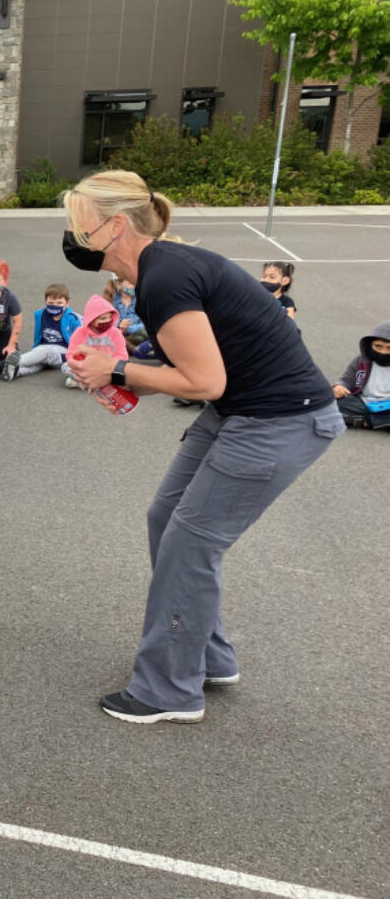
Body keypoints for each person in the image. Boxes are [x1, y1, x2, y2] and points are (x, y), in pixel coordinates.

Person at [62, 169, 342, 724]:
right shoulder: (159, 270)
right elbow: (197, 370)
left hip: (279, 420)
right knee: (167, 517)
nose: (73, 236)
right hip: (244, 410)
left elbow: (203, 382)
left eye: (80, 225)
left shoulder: (164, 277)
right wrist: (121, 376)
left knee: (191, 543)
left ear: (115, 226)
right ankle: (206, 656)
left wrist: (116, 366)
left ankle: (169, 690)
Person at [2, 284, 79, 382]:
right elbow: (38, 335)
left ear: (67, 303)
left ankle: (12, 362)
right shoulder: (41, 315)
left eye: (59, 303)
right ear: (45, 302)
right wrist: (35, 350)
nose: (55, 305)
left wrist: (75, 358)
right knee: (37, 364)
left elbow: (80, 340)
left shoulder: (73, 318)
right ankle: (15, 372)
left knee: (45, 353)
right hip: (43, 349)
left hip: (62, 355)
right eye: (51, 302)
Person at [332, 320, 390, 431]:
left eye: (389, 348)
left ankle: (364, 422)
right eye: (378, 346)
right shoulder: (362, 360)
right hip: (363, 403)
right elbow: (346, 380)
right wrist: (339, 387)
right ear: (370, 345)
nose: (383, 352)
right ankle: (378, 422)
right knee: (327, 401)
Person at [65, 295, 128, 388]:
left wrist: (109, 366)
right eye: (102, 318)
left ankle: (86, 382)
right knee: (65, 367)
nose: (108, 321)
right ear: (91, 320)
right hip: (86, 366)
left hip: (108, 367)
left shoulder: (115, 333)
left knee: (126, 370)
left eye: (110, 317)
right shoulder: (80, 333)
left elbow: (122, 355)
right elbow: (71, 354)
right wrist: (82, 365)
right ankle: (90, 381)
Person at [103, 274, 152, 358]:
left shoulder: (141, 300)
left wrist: (128, 328)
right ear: (118, 285)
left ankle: (126, 347)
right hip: (118, 333)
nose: (134, 286)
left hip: (136, 334)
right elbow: (106, 320)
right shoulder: (111, 300)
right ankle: (131, 348)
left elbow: (146, 322)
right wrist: (119, 325)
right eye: (130, 283)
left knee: (145, 332)